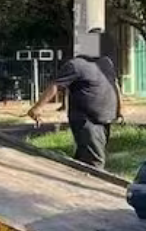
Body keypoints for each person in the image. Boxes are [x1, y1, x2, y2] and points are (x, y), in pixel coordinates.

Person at [28, 38, 122, 168]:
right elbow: (55, 86)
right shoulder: (75, 65)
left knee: (83, 159)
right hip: (87, 121)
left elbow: (114, 85)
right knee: (95, 162)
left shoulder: (105, 63)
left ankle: (71, 183)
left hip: (105, 119)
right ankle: (89, 186)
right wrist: (38, 108)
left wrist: (119, 110)